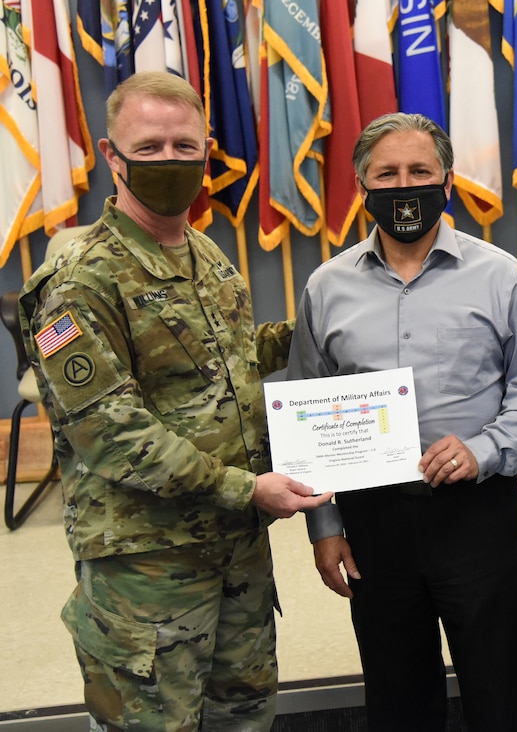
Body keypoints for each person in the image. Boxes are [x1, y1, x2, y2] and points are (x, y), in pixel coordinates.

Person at [17, 71, 332, 731]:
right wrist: (249, 490)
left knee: (241, 717)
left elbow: (235, 354)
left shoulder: (204, 252)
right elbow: (113, 434)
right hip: (149, 569)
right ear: (112, 156)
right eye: (150, 146)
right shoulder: (72, 286)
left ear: (206, 151)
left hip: (236, 554)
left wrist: (329, 332)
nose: (169, 160)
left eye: (184, 147)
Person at [289, 112, 517, 732]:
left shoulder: (501, 276)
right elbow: (310, 406)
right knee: (397, 695)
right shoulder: (327, 287)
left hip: (477, 511)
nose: (403, 184)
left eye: (419, 171)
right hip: (373, 520)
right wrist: (324, 527)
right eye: (386, 173)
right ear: (362, 187)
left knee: (496, 694)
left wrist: (484, 450)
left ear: (448, 181)